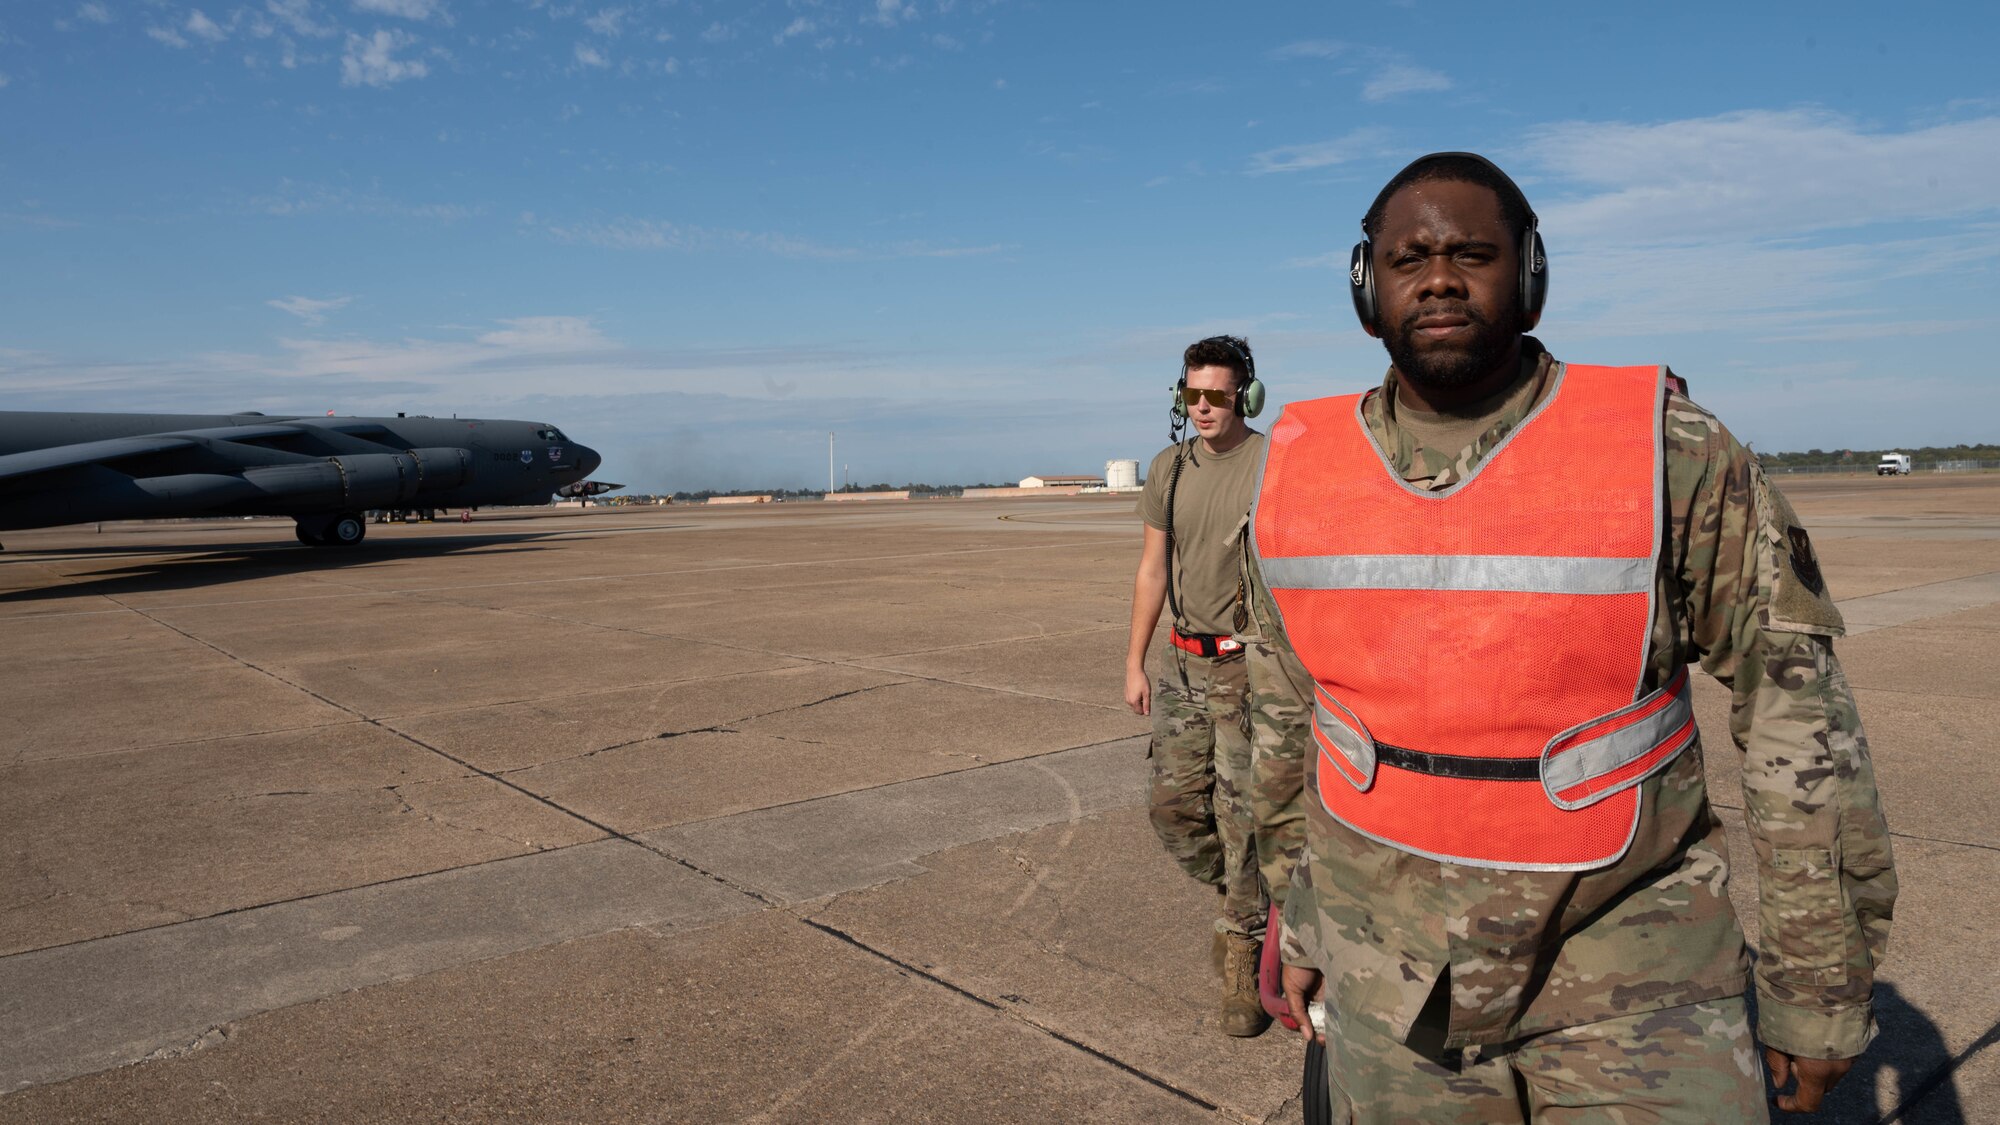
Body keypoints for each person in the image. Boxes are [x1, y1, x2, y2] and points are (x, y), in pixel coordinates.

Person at [1246, 152, 1897, 1121]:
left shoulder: (1669, 453)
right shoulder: (1298, 471)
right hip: (1402, 978)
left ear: (1530, 275)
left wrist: (1817, 988)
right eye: (1405, 259)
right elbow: (1289, 721)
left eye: (1472, 253)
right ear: (1364, 286)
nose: (1435, 278)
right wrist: (1293, 918)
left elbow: (1798, 724)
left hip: (1634, 969)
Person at [1127, 335, 1273, 1037]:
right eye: (1194, 395)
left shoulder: (1274, 461)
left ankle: (1243, 949)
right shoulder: (1170, 467)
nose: (1205, 407)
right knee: (1174, 810)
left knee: (1245, 818)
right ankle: (1240, 900)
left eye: (1218, 394)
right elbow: (1153, 568)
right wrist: (1133, 660)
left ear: (1246, 394)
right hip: (1182, 665)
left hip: (1248, 668)